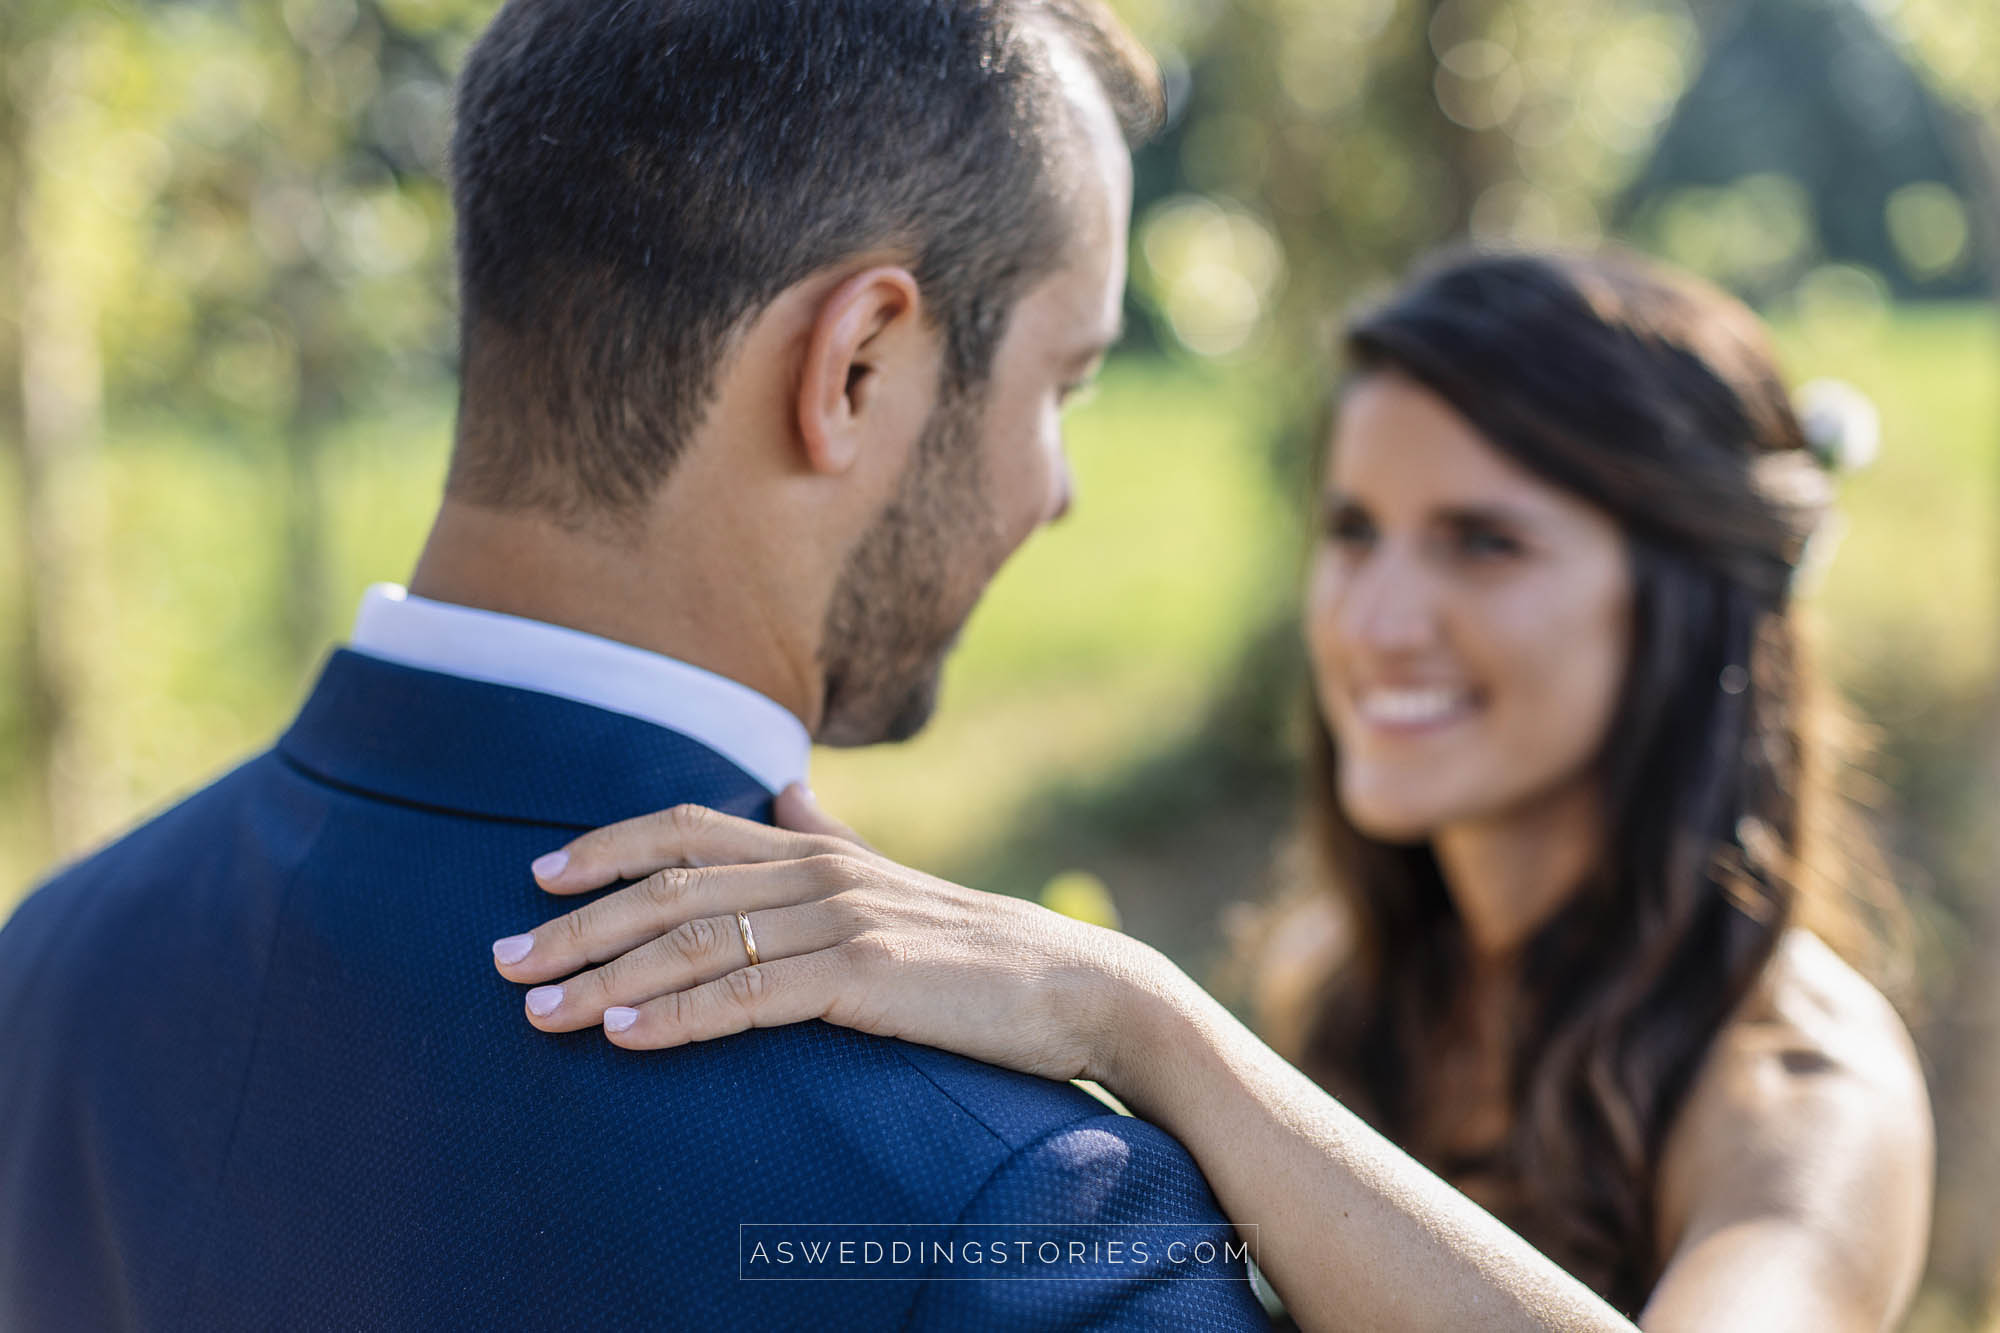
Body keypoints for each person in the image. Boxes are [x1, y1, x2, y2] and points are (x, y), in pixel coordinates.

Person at [0, 1, 1276, 1327]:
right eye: (1062, 384)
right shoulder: (1021, 1211)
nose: (1059, 489)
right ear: (854, 366)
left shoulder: (50, 966)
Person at [493, 250, 1936, 1331]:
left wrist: (1139, 1016)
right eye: (1355, 530)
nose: (1374, 619)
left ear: (1683, 600)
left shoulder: (1806, 1090)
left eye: (1483, 543)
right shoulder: (1341, 976)